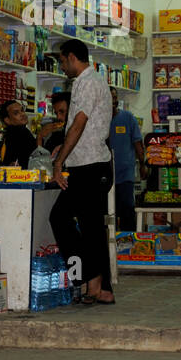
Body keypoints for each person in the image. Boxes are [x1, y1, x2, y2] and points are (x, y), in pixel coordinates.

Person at [49, 39, 114, 305]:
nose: (62, 67)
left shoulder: (88, 82)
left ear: (72, 57)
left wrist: (58, 162)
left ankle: (93, 282)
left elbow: (78, 124)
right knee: (86, 225)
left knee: (67, 219)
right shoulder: (88, 82)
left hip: (91, 165)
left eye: (63, 62)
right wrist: (63, 153)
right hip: (85, 163)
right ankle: (97, 285)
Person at [108, 90, 147, 232]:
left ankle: (128, 245)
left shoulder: (128, 118)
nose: (114, 100)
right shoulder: (98, 119)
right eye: (110, 97)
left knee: (127, 211)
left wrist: (143, 164)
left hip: (125, 176)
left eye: (115, 97)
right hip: (105, 178)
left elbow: (138, 143)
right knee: (108, 213)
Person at [0, 99, 39, 169]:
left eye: (22, 110)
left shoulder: (11, 133)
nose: (22, 114)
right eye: (16, 113)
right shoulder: (20, 133)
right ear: (7, 120)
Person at [43, 91, 71, 156]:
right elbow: (45, 156)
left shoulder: (82, 132)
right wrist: (40, 136)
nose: (58, 117)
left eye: (62, 112)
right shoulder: (58, 133)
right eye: (56, 113)